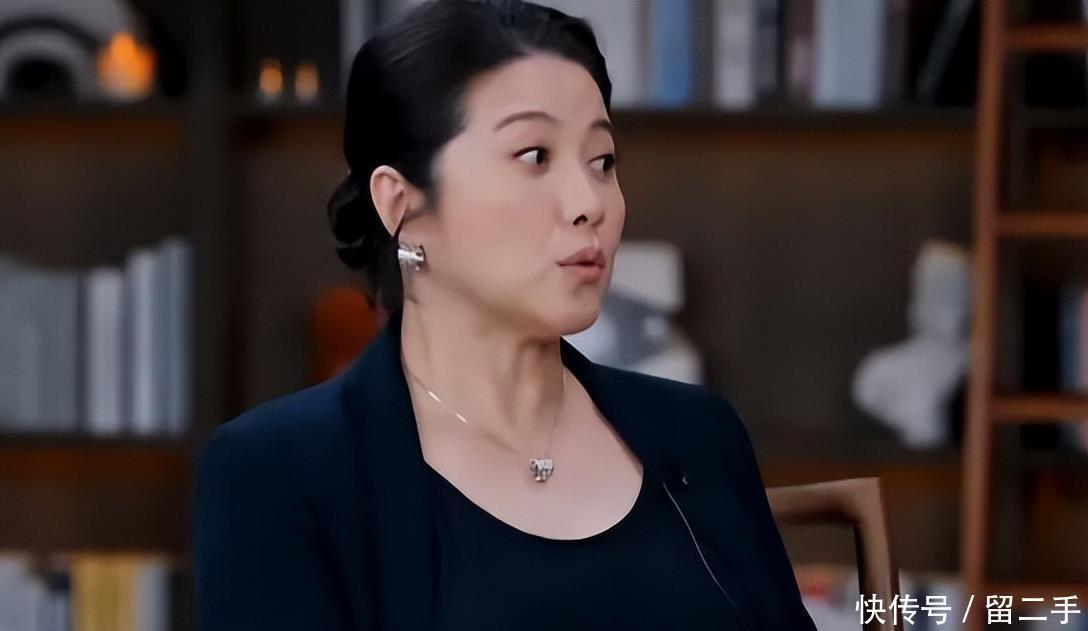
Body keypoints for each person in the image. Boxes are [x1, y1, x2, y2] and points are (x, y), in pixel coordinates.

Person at [193, 1, 817, 629]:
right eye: (534, 156)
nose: (589, 203)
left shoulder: (700, 435)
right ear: (402, 204)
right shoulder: (279, 473)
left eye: (602, 162)